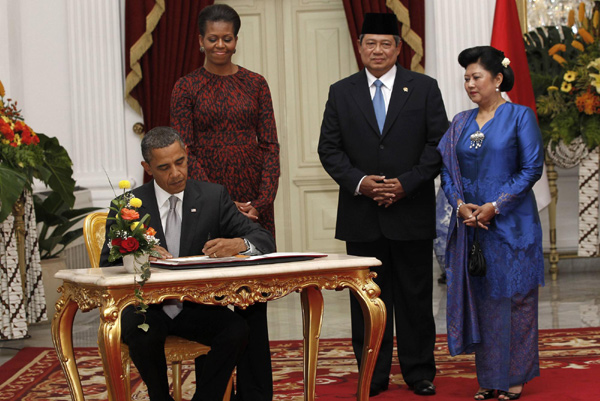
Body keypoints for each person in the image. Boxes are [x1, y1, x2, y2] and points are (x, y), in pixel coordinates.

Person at [318, 13, 448, 397]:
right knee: (367, 304)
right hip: (362, 215)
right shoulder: (341, 91)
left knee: (414, 298)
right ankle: (372, 375)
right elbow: (329, 149)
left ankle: (419, 372)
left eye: (385, 43)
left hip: (411, 211)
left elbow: (437, 145)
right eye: (370, 43)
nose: (377, 50)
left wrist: (405, 184)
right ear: (359, 47)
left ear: (398, 48)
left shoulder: (423, 88)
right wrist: (362, 183)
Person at [99, 127, 276, 401]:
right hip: (147, 307)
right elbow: (106, 262)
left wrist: (240, 244)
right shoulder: (126, 204)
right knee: (141, 331)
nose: (176, 173)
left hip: (195, 305)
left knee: (237, 330)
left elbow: (264, 239)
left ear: (186, 154)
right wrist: (140, 254)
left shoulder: (213, 197)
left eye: (180, 162)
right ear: (147, 167)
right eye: (164, 167)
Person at [170, 6, 279, 398]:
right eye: (212, 38)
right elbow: (186, 151)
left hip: (255, 204)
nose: (220, 45)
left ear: (236, 38)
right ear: (200, 40)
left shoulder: (256, 84)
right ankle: (214, 392)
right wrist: (224, 202)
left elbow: (269, 146)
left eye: (227, 38)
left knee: (254, 301)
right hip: (207, 201)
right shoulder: (185, 87)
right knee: (210, 303)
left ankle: (255, 393)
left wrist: (261, 202)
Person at [438, 46, 544, 400]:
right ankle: (490, 379)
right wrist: (460, 206)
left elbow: (531, 168)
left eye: (476, 77)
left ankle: (515, 377)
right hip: (474, 229)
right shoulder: (460, 123)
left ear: (498, 79)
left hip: (513, 226)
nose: (469, 83)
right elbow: (447, 171)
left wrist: (496, 206)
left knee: (516, 301)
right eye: (466, 78)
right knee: (484, 302)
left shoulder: (520, 116)